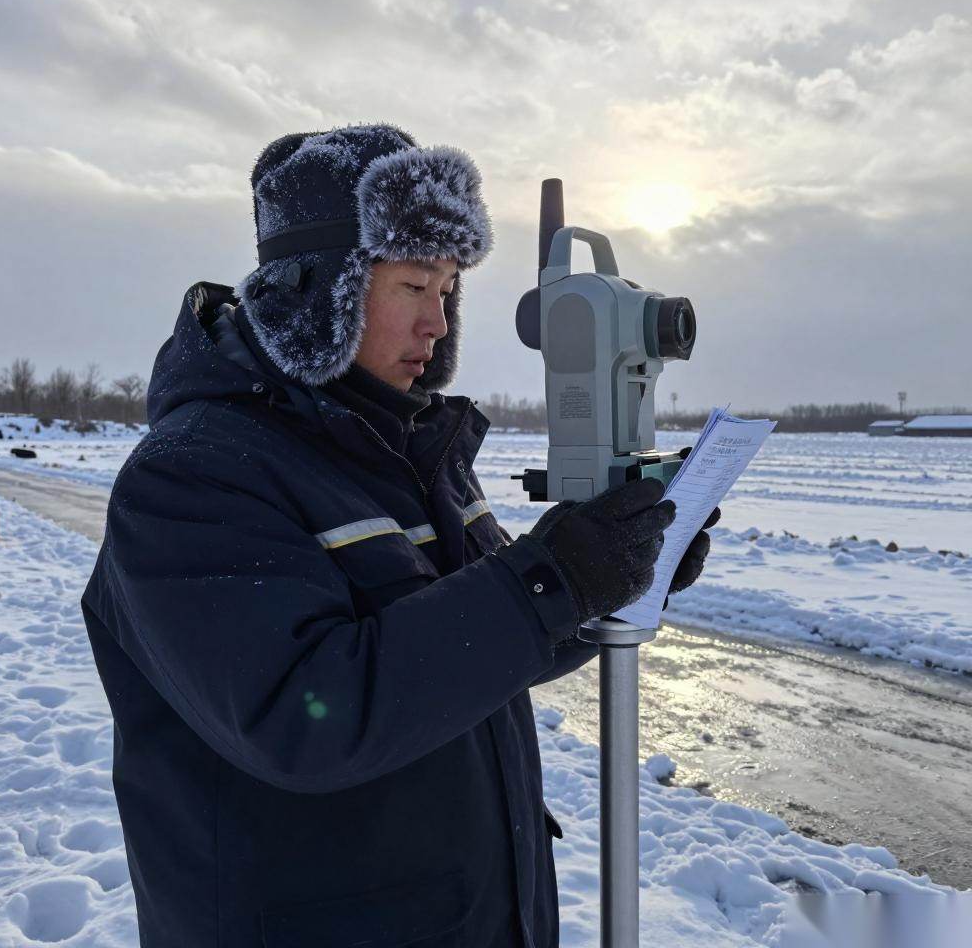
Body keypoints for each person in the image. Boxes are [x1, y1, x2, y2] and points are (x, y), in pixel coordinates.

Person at [81, 124, 717, 947]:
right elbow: (308, 718)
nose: (438, 324)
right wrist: (549, 580)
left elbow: (473, 653)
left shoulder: (414, 452)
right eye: (416, 286)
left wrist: (612, 576)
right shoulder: (194, 477)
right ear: (320, 293)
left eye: (449, 290)